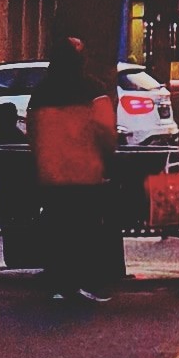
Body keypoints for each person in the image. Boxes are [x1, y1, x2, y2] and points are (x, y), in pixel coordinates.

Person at [27, 36, 117, 306]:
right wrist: (107, 157)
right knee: (85, 229)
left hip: (51, 173)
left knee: (57, 228)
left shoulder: (40, 93)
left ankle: (59, 283)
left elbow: (32, 132)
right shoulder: (94, 90)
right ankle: (84, 282)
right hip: (85, 171)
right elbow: (105, 131)